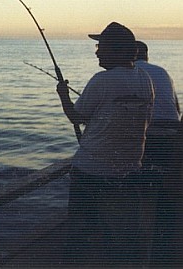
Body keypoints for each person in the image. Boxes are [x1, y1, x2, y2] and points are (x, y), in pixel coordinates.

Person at [56, 22, 154, 266]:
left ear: (118, 51)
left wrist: (63, 94)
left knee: (81, 228)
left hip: (92, 171)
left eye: (101, 47)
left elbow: (76, 117)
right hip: (129, 169)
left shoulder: (102, 80)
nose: (97, 52)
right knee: (122, 230)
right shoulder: (145, 80)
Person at [135, 40, 183, 265]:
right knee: (165, 195)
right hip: (173, 137)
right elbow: (177, 109)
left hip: (150, 138)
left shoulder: (131, 73)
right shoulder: (162, 71)